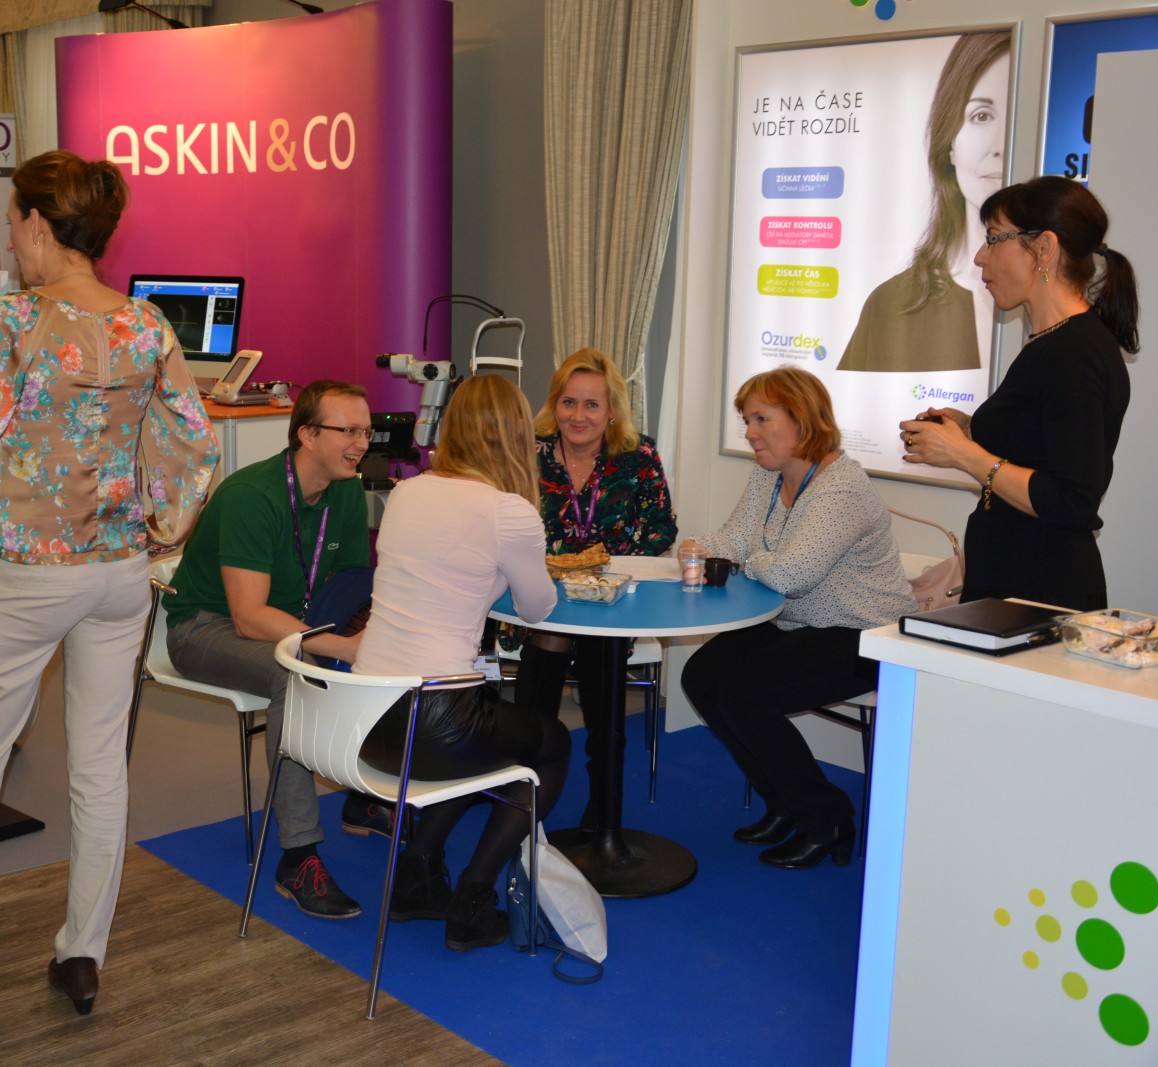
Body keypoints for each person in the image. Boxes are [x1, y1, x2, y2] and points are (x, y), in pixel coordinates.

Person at [0, 150, 220, 1030]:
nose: (10, 240)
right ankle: (81, 955)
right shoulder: (146, 323)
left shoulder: (12, 319)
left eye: (12, 223)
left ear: (36, 222)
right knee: (100, 766)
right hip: (118, 574)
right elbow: (197, 442)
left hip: (30, 571)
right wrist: (164, 524)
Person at [354, 375, 570, 950]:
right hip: (434, 723)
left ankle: (417, 878)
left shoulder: (407, 491)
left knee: (483, 735)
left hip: (366, 719)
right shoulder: (508, 511)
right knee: (550, 745)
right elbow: (538, 608)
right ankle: (474, 898)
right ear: (516, 435)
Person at [679, 367, 915, 869]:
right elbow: (734, 539)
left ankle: (826, 818)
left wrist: (743, 559)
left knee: (744, 693)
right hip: (799, 623)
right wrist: (698, 545)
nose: (750, 432)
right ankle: (784, 802)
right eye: (747, 420)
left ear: (802, 419)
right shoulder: (768, 475)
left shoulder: (841, 489)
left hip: (867, 634)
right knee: (701, 676)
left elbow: (793, 574)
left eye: (761, 419)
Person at [165, 380, 380, 921]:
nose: (361, 443)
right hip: (207, 627)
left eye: (366, 431)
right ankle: (298, 856)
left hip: (294, 622)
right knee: (297, 676)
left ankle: (364, 797)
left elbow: (352, 586)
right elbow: (249, 615)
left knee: (381, 658)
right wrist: (340, 648)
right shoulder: (252, 496)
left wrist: (372, 642)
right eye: (348, 431)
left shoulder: (346, 490)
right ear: (306, 434)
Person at [900, 176, 1137, 610]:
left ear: (1043, 248)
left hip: (1040, 596)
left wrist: (964, 455)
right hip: (1013, 586)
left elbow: (1072, 500)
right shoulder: (1054, 342)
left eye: (994, 239)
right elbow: (1042, 449)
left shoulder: (1074, 352)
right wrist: (970, 429)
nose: (980, 255)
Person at [510, 348, 676, 829]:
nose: (578, 416)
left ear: (611, 410)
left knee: (602, 648)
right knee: (549, 635)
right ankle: (525, 784)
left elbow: (661, 529)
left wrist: (606, 569)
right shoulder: (531, 453)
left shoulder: (638, 455)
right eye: (568, 402)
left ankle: (603, 803)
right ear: (554, 405)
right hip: (546, 595)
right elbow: (507, 523)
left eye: (591, 404)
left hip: (611, 599)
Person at [839, 31, 1012, 373]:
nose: (1000, 146)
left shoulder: (1054, 314)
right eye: (981, 116)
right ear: (949, 143)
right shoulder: (891, 305)